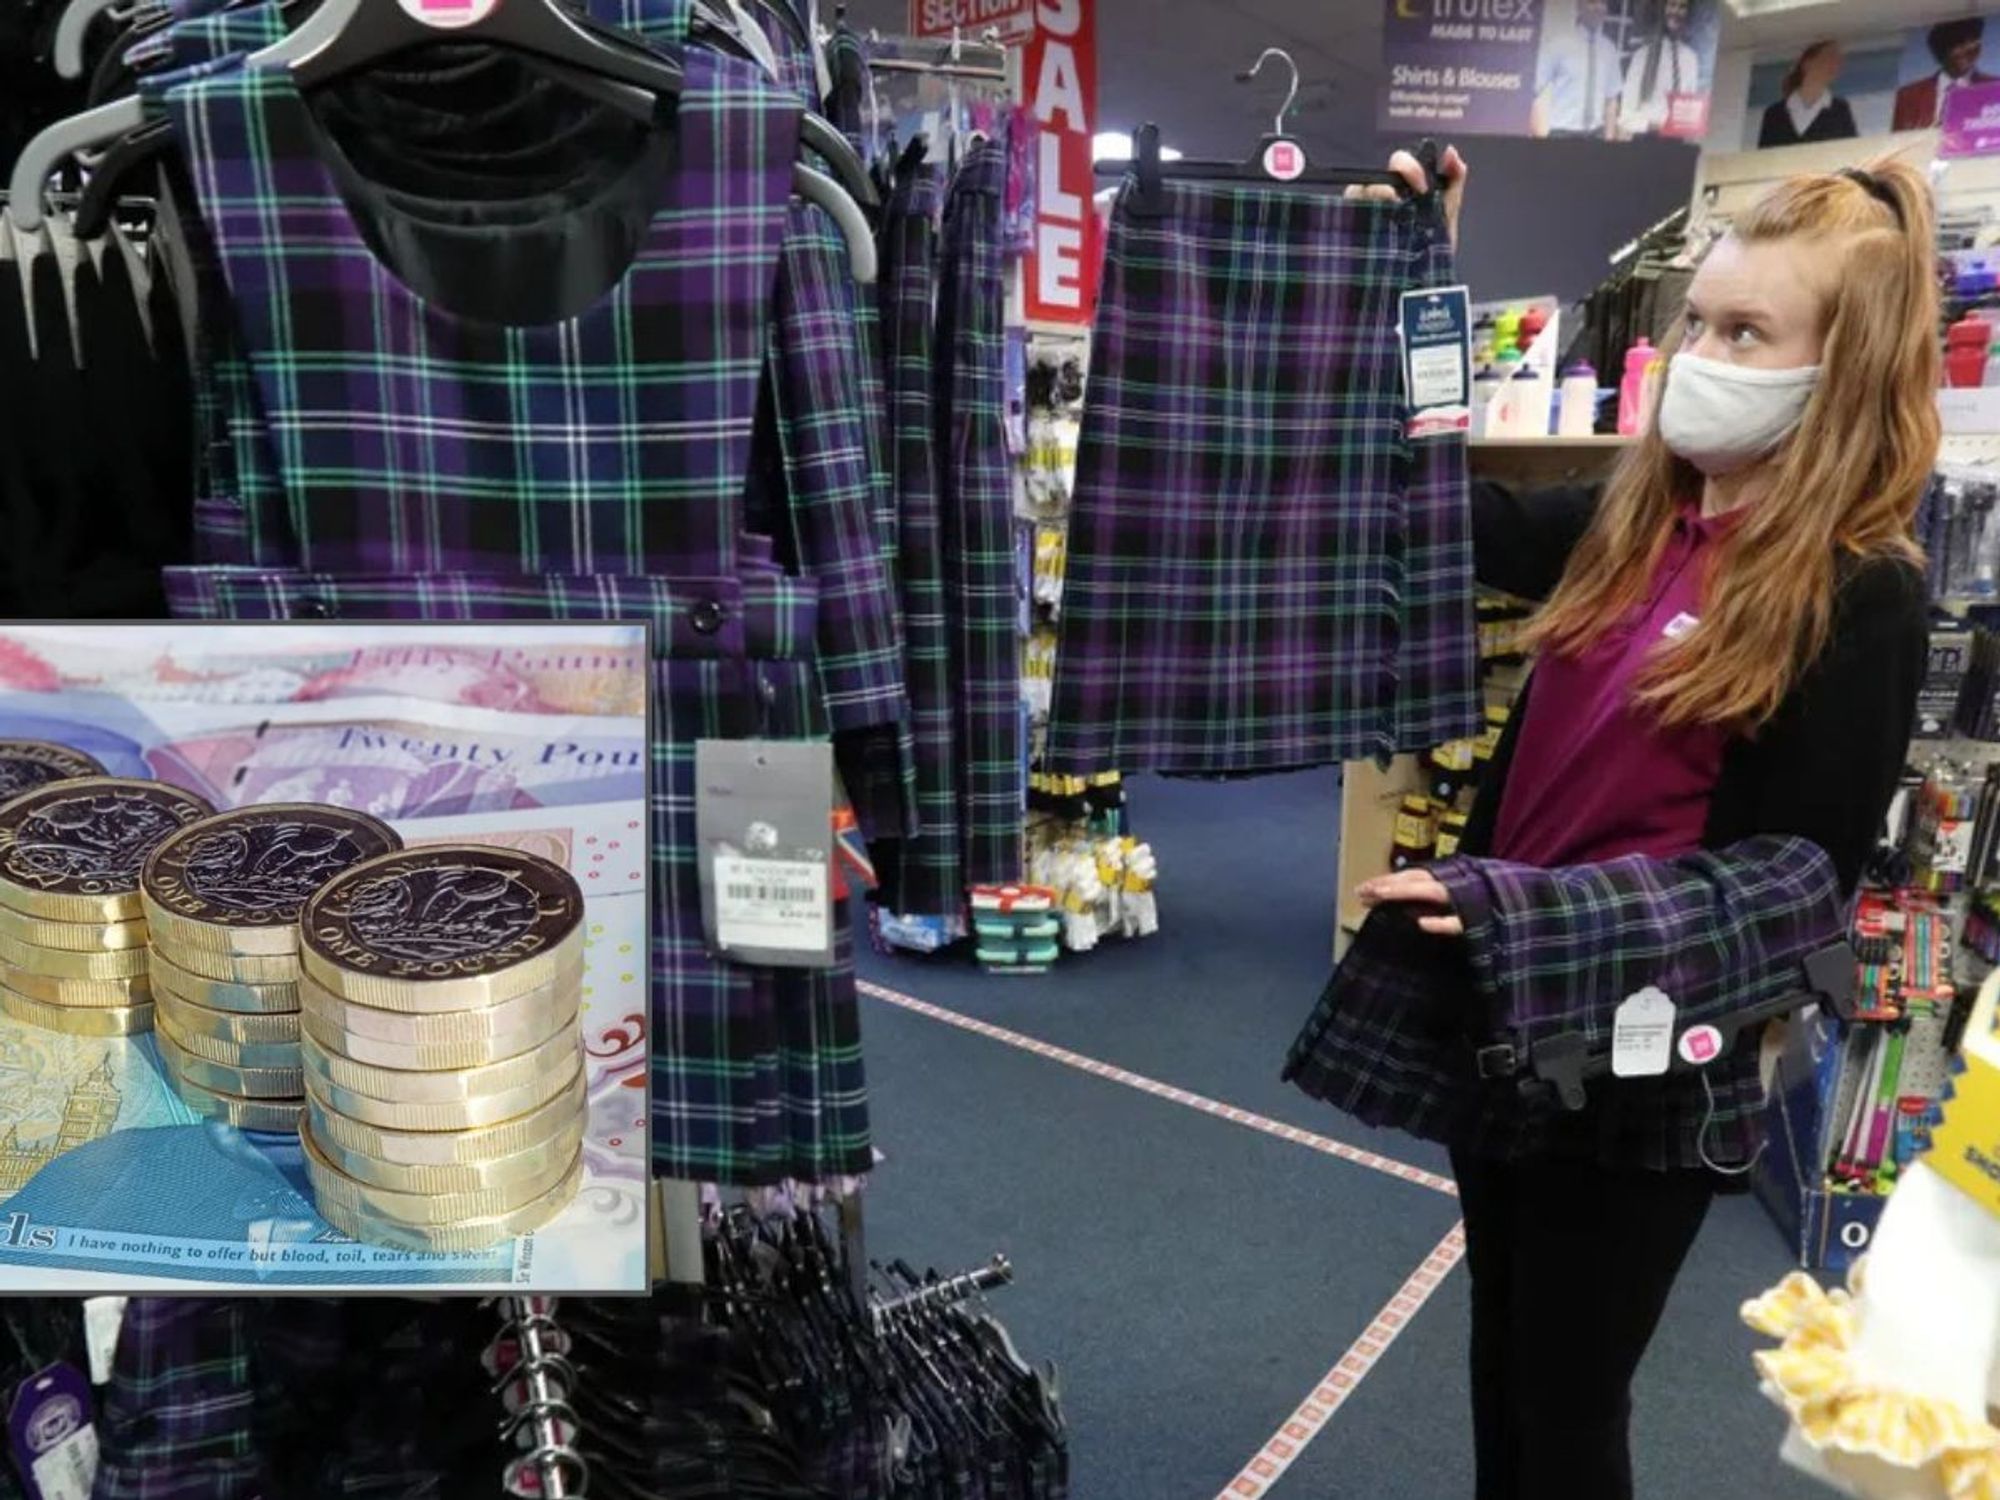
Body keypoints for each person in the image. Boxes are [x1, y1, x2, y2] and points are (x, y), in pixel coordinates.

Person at [1355, 145, 1936, 1499]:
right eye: (1699, 321)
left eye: (1747, 332)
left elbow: (1790, 891)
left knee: (1569, 1402)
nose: (1701, 353)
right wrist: (1418, 277)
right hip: (1511, 1008)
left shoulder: (1861, 594)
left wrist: (1522, 909)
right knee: (1506, 1357)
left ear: (1838, 372)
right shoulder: (1635, 521)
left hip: (1648, 1058)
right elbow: (1416, 498)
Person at [1531, 0, 1623, 138]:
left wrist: (1609, 140)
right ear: (1579, 6)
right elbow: (1533, 90)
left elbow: (1611, 100)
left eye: (1602, 3)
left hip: (1596, 135)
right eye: (1592, 2)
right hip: (1562, 134)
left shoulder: (1609, 49)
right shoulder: (1558, 44)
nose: (1598, 7)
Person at [1617, 0, 1703, 137]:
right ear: (1662, 9)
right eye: (1672, 5)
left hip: (1676, 142)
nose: (1676, 11)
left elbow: (1689, 109)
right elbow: (1626, 115)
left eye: (1682, 7)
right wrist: (1654, 126)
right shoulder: (1642, 56)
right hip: (1645, 139)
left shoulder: (1691, 59)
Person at [1892, 17, 1994, 131]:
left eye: (1973, 41)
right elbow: (1897, 141)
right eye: (1960, 44)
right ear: (1940, 52)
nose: (1969, 49)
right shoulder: (1907, 96)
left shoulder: (1995, 87)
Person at [1758, 39, 1859, 147]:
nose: (1835, 64)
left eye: (1838, 61)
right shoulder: (1774, 114)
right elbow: (1764, 156)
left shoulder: (1841, 109)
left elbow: (1850, 152)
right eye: (1829, 57)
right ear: (1807, 64)